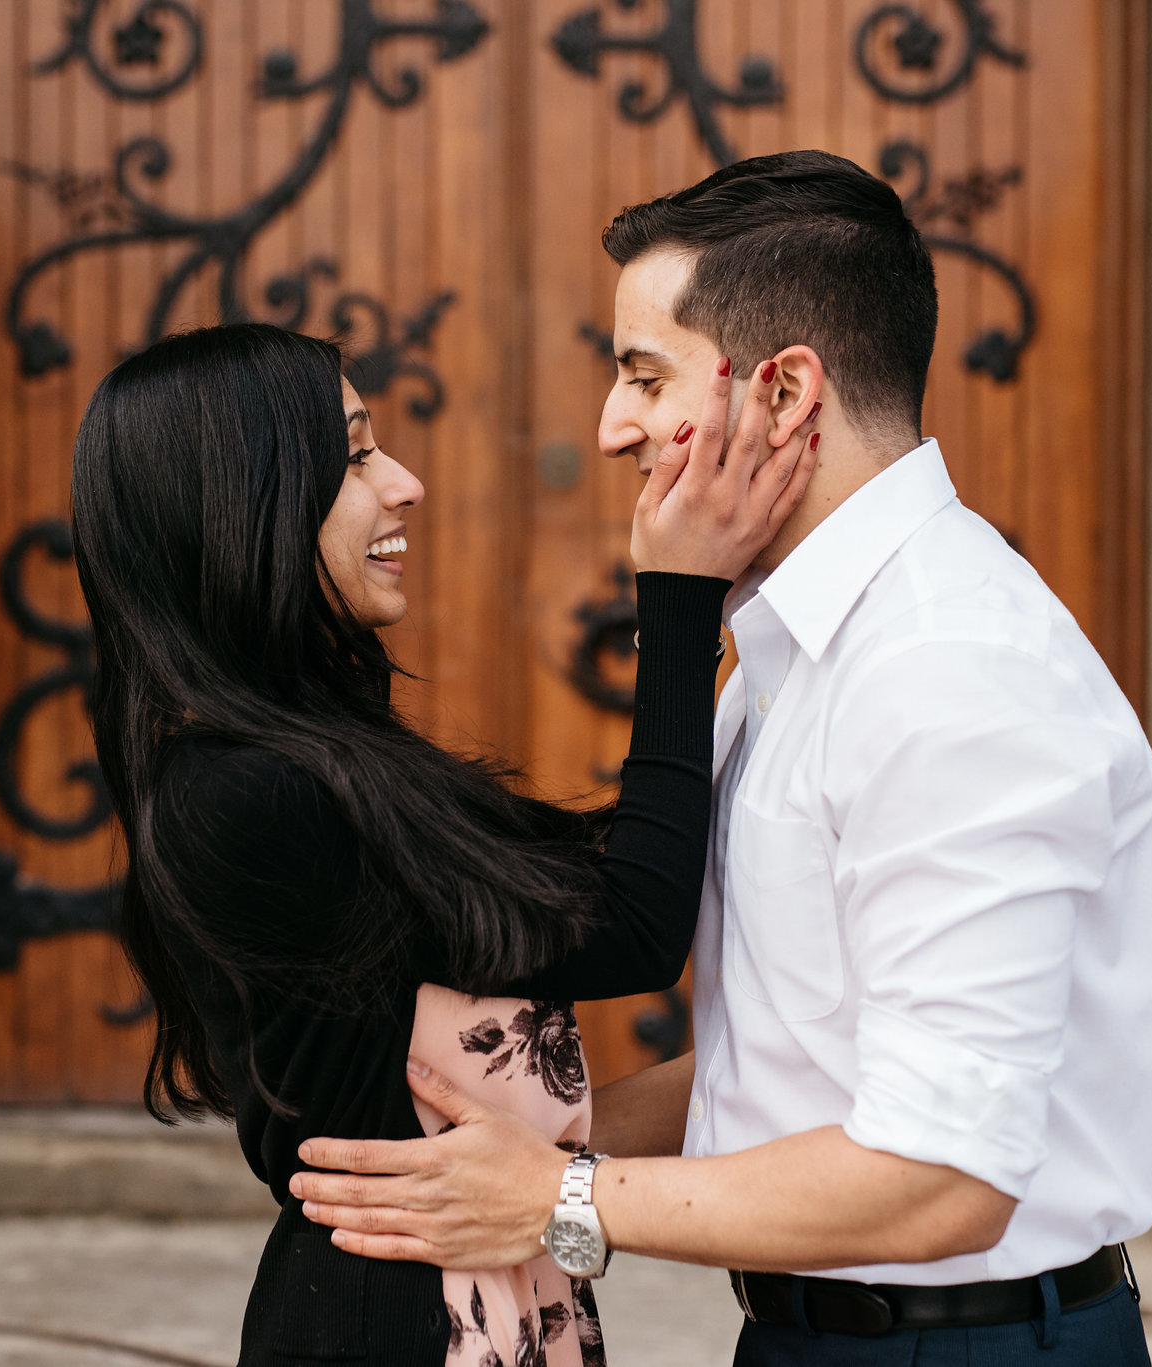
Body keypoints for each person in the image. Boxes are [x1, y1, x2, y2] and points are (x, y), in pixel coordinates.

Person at [293, 151, 1152, 1367]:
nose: (612, 427)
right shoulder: (794, 649)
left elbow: (942, 1175)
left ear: (784, 390)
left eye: (643, 376)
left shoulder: (948, 671)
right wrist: (499, 1144)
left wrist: (555, 1199)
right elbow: (809, 1049)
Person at [68, 321, 814, 1367]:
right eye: (356, 453)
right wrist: (679, 600)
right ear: (243, 505)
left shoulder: (304, 753)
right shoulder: (246, 788)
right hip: (395, 1324)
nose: (405, 482)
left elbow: (534, 1039)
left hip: (460, 1293)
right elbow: (630, 926)